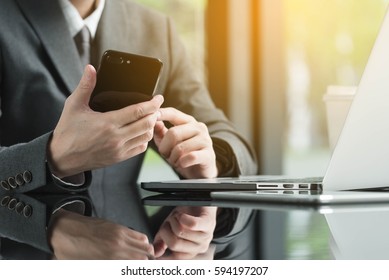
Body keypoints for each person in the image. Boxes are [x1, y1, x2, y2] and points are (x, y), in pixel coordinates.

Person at [0, 0, 257, 259]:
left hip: (134, 242)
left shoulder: (156, 28)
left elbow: (228, 138)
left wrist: (210, 159)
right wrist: (52, 157)